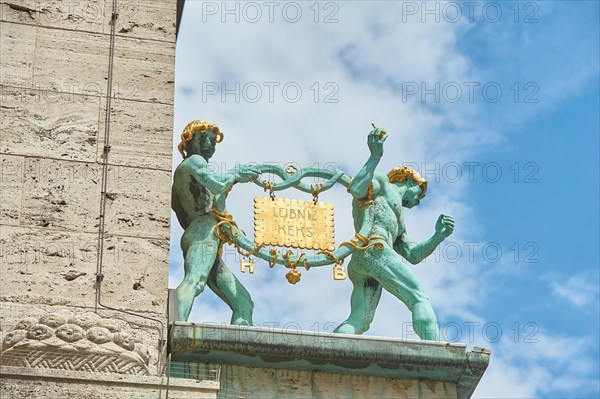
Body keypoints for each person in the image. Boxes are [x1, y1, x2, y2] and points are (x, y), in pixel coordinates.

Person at [334, 127, 454, 340]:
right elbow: (356, 189)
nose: (417, 202)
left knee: (360, 320)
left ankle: (328, 351)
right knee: (419, 298)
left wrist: (438, 236)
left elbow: (412, 255)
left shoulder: (398, 219)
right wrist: (375, 156)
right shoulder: (383, 183)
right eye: (420, 193)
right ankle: (434, 350)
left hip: (362, 259)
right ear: (409, 181)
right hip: (375, 248)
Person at [171, 120, 260, 324]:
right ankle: (178, 328)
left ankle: (241, 345)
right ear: (190, 141)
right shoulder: (194, 162)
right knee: (195, 281)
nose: (210, 144)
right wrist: (236, 173)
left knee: (243, 303)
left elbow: (217, 208)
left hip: (208, 234)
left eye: (213, 141)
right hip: (202, 232)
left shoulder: (191, 171)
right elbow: (218, 184)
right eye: (205, 138)